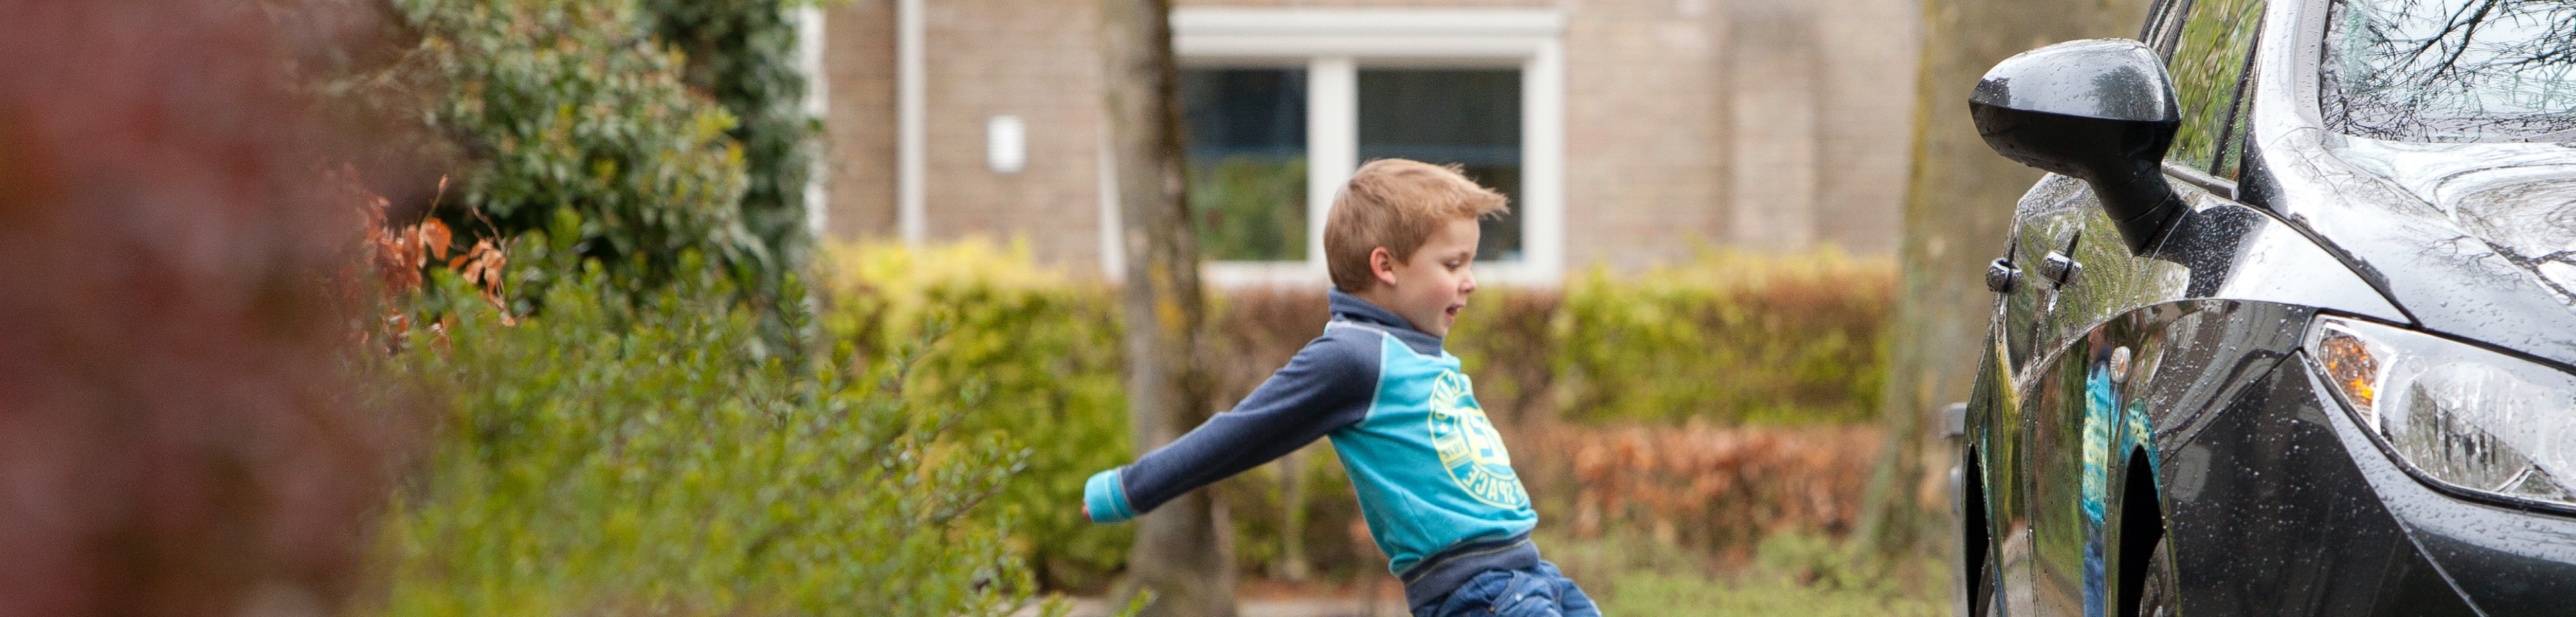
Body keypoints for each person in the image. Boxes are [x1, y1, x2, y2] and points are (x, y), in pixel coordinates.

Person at [1081, 158, 1599, 617]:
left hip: (1530, 574)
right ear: (1385, 266)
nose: (1471, 281)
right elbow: (1241, 433)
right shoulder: (1354, 358)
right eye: (1453, 264)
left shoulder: (1414, 350)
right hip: (1479, 592)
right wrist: (1129, 489)